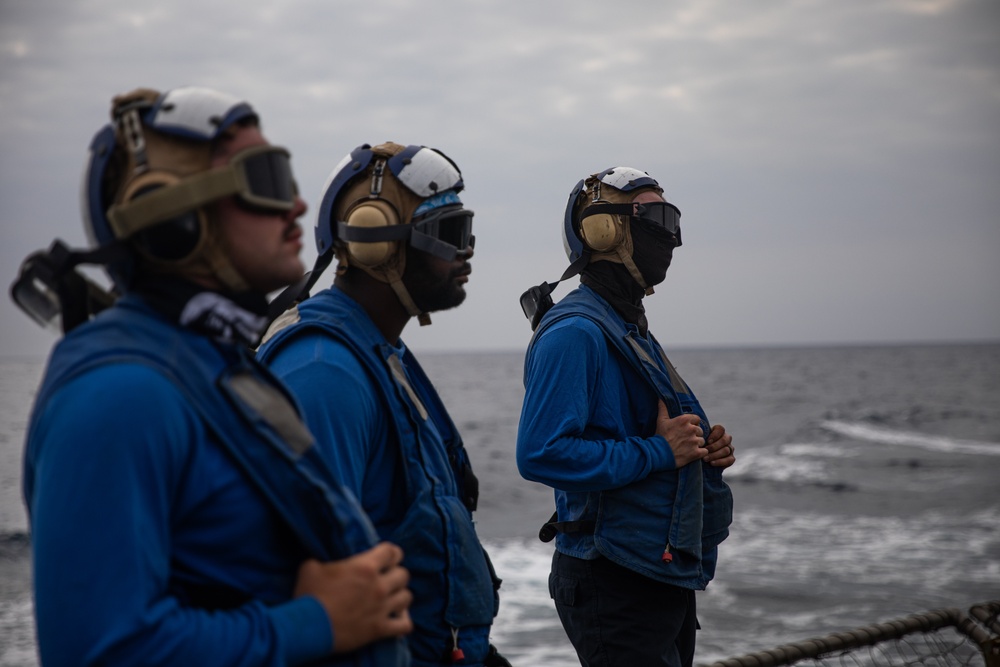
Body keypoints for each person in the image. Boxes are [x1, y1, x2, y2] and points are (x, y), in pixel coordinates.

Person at [13, 87, 413, 667]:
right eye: (267, 179)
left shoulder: (214, 362)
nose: (298, 206)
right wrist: (317, 623)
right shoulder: (119, 395)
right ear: (171, 219)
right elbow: (94, 650)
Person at [257, 142, 507, 667]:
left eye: (468, 231)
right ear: (376, 243)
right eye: (451, 234)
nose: (467, 252)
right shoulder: (324, 374)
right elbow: (307, 585)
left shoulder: (377, 348)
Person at [515, 167, 736, 667]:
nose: (670, 236)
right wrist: (661, 451)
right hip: (611, 578)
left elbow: (648, 431)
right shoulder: (575, 334)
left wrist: (700, 452)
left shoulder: (627, 328)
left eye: (672, 219)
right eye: (655, 218)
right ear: (603, 231)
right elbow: (539, 453)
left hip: (655, 570)